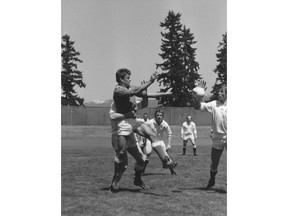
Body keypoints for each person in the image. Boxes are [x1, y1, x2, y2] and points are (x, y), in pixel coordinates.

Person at [110, 68, 177, 190]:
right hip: (123, 123)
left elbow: (147, 96)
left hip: (133, 120)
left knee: (150, 135)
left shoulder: (130, 90)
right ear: (121, 79)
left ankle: (165, 161)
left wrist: (164, 94)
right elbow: (135, 91)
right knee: (121, 156)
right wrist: (150, 81)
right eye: (128, 78)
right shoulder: (118, 90)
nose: (130, 79)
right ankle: (114, 183)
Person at [192, 82, 227, 189]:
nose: (219, 93)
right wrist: (197, 97)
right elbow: (198, 107)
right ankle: (212, 180)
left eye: (222, 91)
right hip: (217, 138)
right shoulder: (213, 104)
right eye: (219, 91)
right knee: (214, 163)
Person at [144, 109, 177, 175]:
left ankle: (172, 171)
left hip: (159, 141)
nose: (159, 116)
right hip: (150, 141)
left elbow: (169, 133)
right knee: (147, 153)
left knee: (166, 156)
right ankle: (141, 171)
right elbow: (143, 128)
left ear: (162, 116)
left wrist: (169, 144)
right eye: (157, 115)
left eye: (160, 115)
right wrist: (143, 139)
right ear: (155, 116)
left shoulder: (165, 124)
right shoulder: (150, 122)